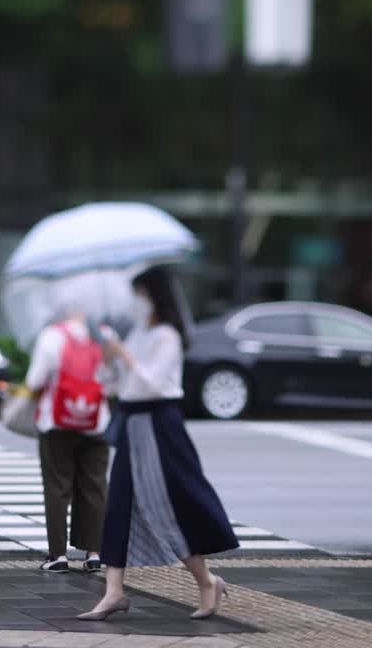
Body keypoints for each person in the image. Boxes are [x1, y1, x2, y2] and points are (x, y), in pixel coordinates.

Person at [79, 266, 239, 622]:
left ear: (154, 296)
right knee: (118, 504)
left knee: (166, 508)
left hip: (157, 424)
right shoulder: (139, 332)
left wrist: (125, 355)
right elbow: (116, 386)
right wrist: (109, 361)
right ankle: (114, 591)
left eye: (141, 293)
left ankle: (207, 581)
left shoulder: (166, 335)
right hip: (133, 422)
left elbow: (151, 383)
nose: (136, 301)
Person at [24, 306, 110, 574]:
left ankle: (58, 555)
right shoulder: (105, 335)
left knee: (57, 487)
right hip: (97, 421)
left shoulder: (52, 336)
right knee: (95, 486)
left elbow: (35, 379)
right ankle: (94, 553)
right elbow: (116, 381)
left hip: (57, 422)